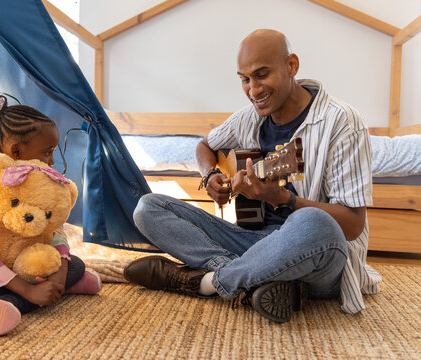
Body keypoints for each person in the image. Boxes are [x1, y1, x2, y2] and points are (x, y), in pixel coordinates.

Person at [124, 29, 381, 323]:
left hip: (320, 257)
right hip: (255, 242)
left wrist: (283, 199)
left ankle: (205, 283)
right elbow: (205, 145)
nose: (253, 90)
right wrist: (210, 176)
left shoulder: (343, 122)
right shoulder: (248, 117)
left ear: (291, 66)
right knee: (148, 208)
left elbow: (352, 224)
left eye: (261, 75)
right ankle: (264, 280)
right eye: (245, 79)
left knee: (315, 223)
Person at [0, 96, 101, 336]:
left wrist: (59, 276)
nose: (51, 161)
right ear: (16, 151)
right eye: (48, 152)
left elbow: (55, 230)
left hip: (25, 264)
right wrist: (27, 291)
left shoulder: (43, 180)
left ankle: (51, 290)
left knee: (75, 265)